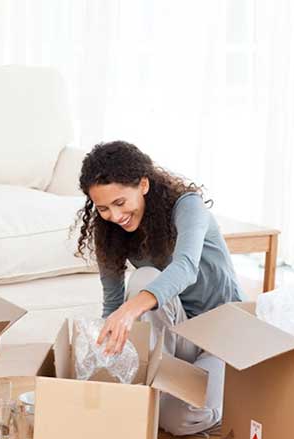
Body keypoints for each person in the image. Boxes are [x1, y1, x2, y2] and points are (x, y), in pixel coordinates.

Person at [75, 141, 243, 436]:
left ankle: (227, 393)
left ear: (143, 184)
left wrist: (131, 309)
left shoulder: (188, 206)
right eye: (102, 208)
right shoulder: (110, 232)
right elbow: (112, 303)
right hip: (178, 339)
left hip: (221, 335)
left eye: (120, 203)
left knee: (181, 419)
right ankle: (154, 389)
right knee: (144, 278)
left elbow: (186, 267)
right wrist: (101, 364)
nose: (114, 216)